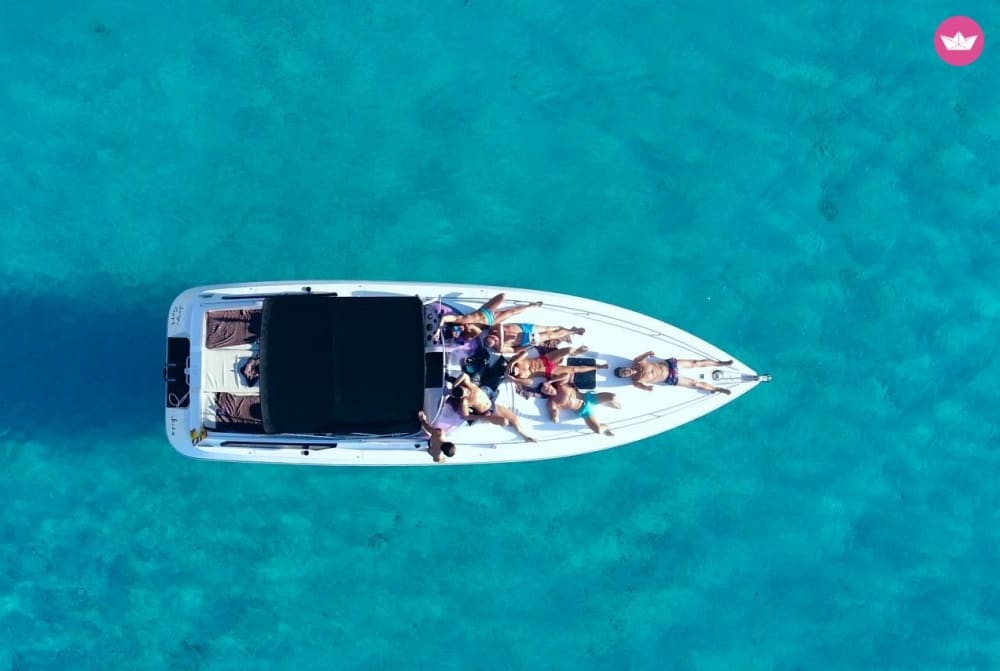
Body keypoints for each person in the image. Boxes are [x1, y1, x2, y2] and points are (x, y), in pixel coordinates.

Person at [449, 373, 537, 443]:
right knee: (505, 422)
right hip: (487, 414)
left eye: (466, 390)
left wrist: (455, 385)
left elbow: (464, 375)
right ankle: (491, 420)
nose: (468, 392)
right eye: (466, 393)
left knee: (514, 419)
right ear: (461, 397)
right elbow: (466, 416)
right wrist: (481, 417)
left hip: (493, 405)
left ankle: (525, 436)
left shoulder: (470, 386)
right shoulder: (465, 401)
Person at [537, 374, 621, 436]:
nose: (548, 390)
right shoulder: (552, 402)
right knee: (598, 430)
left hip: (589, 398)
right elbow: (553, 414)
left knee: (613, 397)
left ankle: (606, 402)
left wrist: (550, 381)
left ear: (550, 385)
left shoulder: (561, 385)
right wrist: (555, 416)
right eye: (545, 391)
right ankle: (606, 426)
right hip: (584, 410)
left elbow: (566, 375)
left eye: (547, 387)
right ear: (545, 394)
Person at [614, 351, 733, 394]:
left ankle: (720, 364)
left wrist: (648, 354)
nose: (626, 372)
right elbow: (643, 388)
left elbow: (643, 355)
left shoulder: (637, 362)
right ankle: (717, 389)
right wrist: (647, 389)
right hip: (668, 378)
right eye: (624, 374)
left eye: (624, 370)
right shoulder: (636, 381)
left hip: (669, 365)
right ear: (625, 377)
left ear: (624, 368)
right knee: (695, 384)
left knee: (695, 363)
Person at [438, 293, 543, 330]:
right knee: (512, 311)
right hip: (491, 321)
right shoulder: (469, 332)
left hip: (484, 311)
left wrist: (440, 326)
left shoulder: (462, 320)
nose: (459, 328)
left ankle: (530, 306)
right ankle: (531, 306)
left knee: (502, 296)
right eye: (458, 330)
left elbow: (446, 318)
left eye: (456, 328)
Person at [506, 345, 607, 384]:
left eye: (514, 368)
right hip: (547, 371)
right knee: (574, 370)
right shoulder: (522, 377)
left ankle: (576, 352)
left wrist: (514, 362)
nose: (516, 370)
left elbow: (525, 353)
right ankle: (598, 366)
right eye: (514, 373)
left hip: (544, 360)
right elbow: (529, 383)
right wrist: (515, 380)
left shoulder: (517, 361)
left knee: (569, 349)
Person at [482, 324, 585, 352]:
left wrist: (500, 336)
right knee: (550, 335)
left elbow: (500, 324)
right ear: (494, 345)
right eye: (495, 342)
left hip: (524, 328)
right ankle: (573, 331)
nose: (497, 339)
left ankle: (564, 328)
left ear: (490, 335)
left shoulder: (494, 329)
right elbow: (515, 350)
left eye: (494, 338)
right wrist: (528, 346)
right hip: (526, 339)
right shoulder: (500, 348)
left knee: (547, 328)